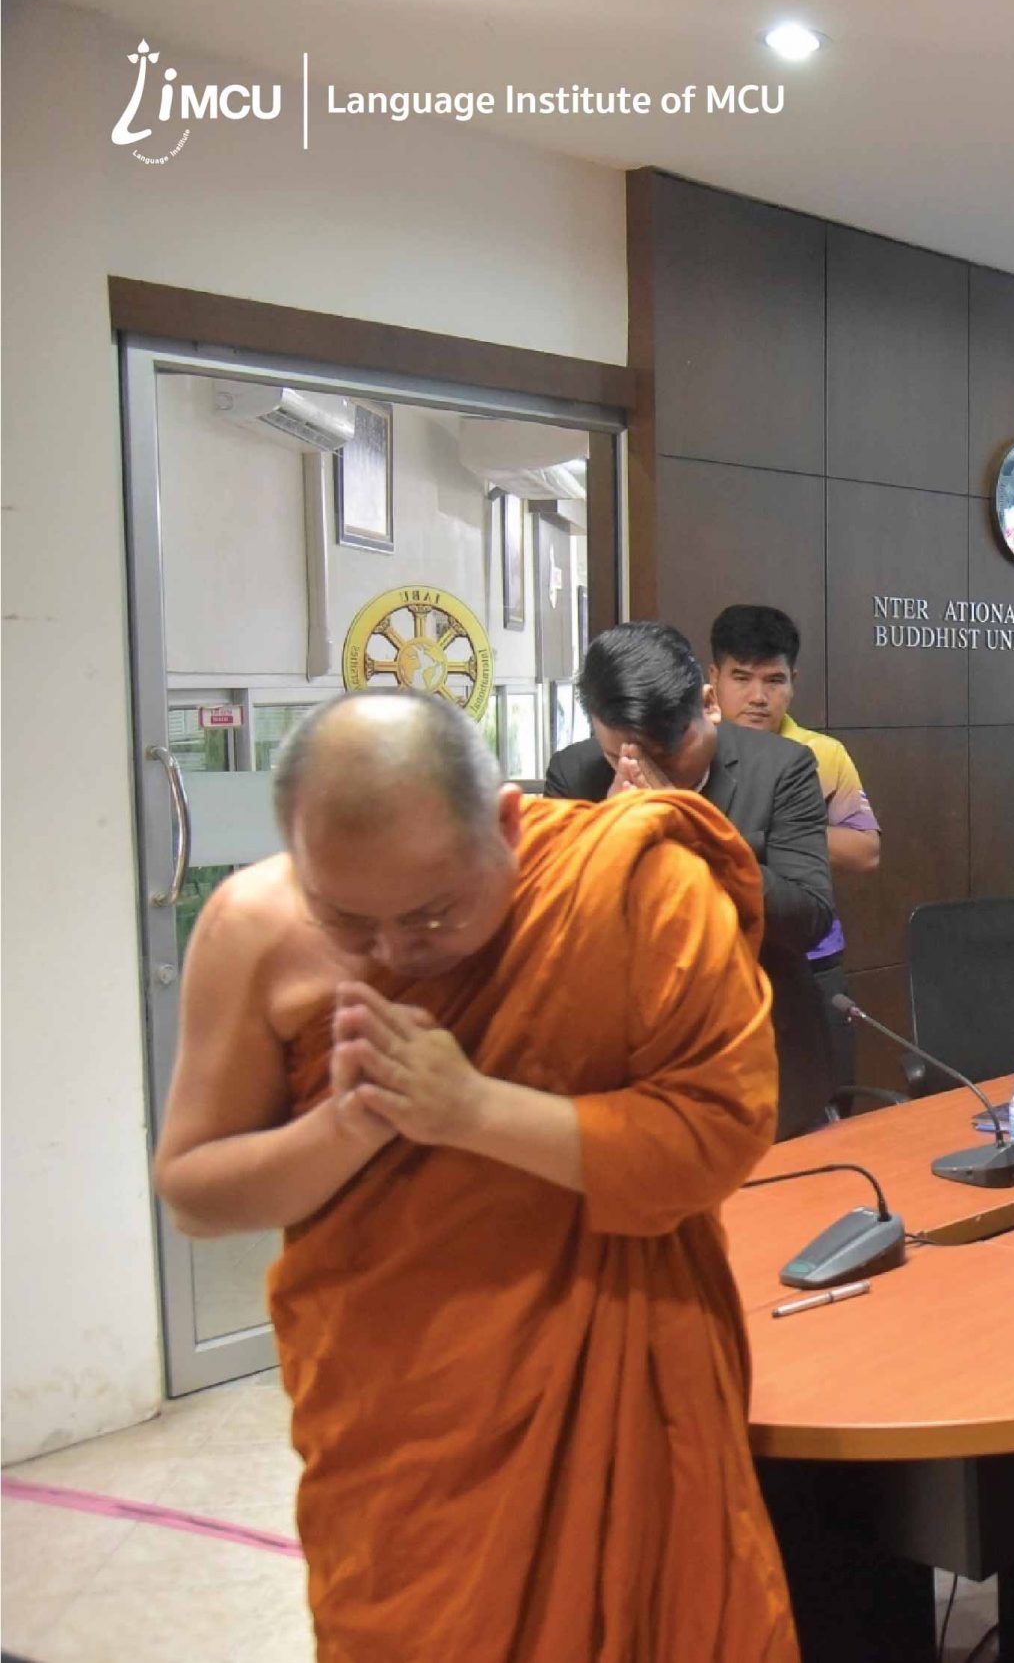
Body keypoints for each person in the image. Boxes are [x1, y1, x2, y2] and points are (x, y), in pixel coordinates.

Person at [150, 690, 797, 1661]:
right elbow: (195, 1189)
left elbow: (719, 1134)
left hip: (623, 1367)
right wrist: (352, 1121)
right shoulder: (252, 925)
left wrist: (472, 1109)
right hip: (398, 1417)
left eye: (431, 913)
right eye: (345, 921)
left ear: (504, 823)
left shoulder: (634, 888)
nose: (392, 951)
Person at [545, 621, 838, 1140]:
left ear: (707, 704)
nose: (639, 771)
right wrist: (607, 837)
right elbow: (557, 931)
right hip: (627, 1072)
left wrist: (689, 827)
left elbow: (808, 917)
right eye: (618, 756)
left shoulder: (781, 768)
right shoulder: (575, 773)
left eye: (664, 756)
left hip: (760, 1064)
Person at [708, 604, 882, 1099]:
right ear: (713, 678)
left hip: (813, 958)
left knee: (826, 1104)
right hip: (717, 963)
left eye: (774, 680)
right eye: (741, 678)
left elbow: (866, 850)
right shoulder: (693, 749)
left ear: (793, 682)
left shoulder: (821, 754)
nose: (758, 697)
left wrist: (783, 832)